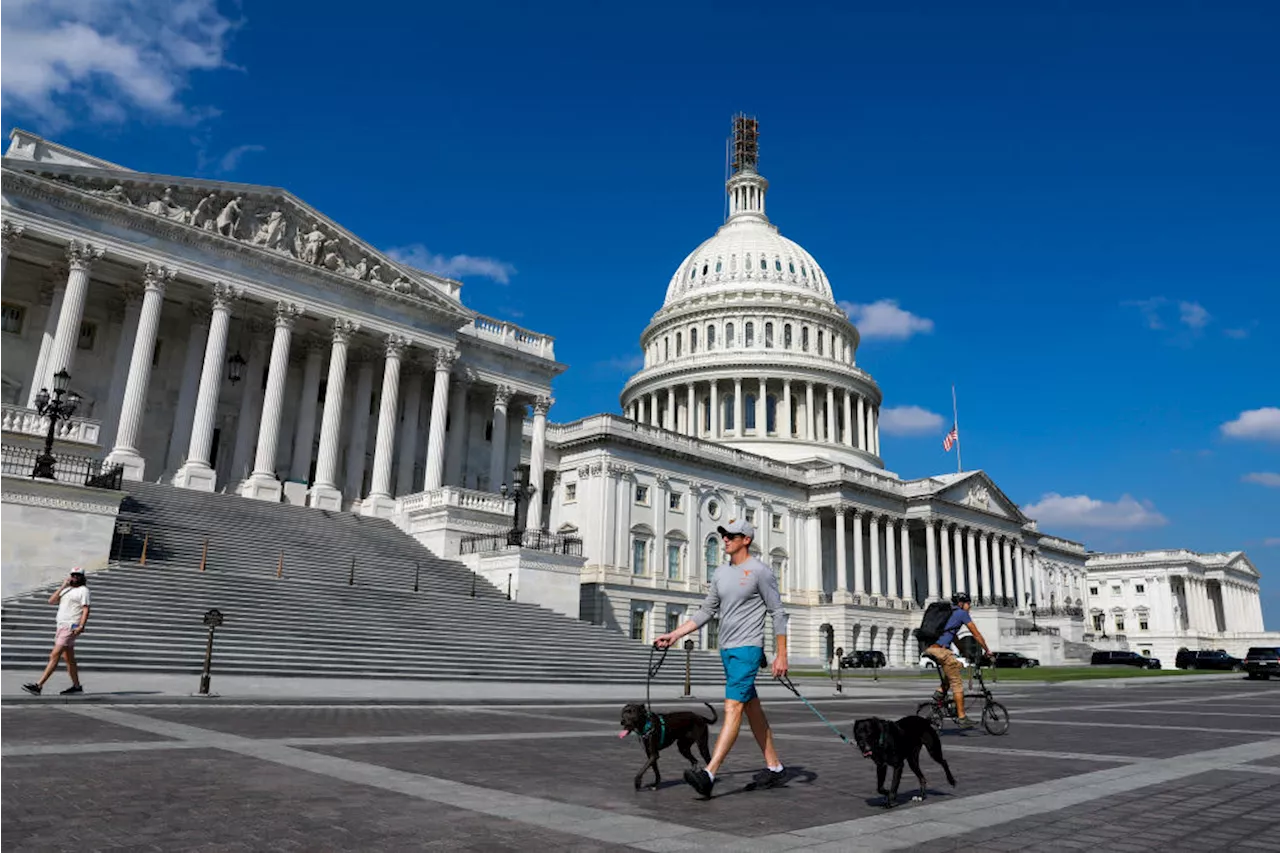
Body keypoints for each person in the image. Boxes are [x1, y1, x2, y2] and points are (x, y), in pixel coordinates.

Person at [654, 518, 789, 798]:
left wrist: (781, 654)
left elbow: (777, 612)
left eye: (731, 535)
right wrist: (675, 634)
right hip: (727, 651)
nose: (725, 539)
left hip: (748, 650)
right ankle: (775, 766)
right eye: (724, 535)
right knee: (752, 708)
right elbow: (706, 611)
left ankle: (709, 773)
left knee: (733, 708)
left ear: (746, 539)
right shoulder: (720, 574)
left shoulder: (760, 572)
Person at [924, 591, 990, 728]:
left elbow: (953, 636)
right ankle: (962, 717)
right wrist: (987, 650)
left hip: (933, 648)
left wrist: (964, 653)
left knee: (956, 665)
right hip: (941, 650)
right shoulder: (961, 613)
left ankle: (940, 692)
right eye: (968, 604)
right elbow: (976, 634)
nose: (969, 607)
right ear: (961, 603)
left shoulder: (949, 614)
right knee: (957, 682)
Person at [22, 569, 92, 696]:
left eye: (78, 575)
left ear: (82, 577)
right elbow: (51, 601)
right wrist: (63, 586)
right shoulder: (67, 589)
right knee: (69, 659)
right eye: (73, 575)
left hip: (70, 627)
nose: (75, 577)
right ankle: (77, 687)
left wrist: (81, 625)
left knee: (54, 655)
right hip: (61, 626)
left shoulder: (84, 590)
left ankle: (39, 685)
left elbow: (86, 609)